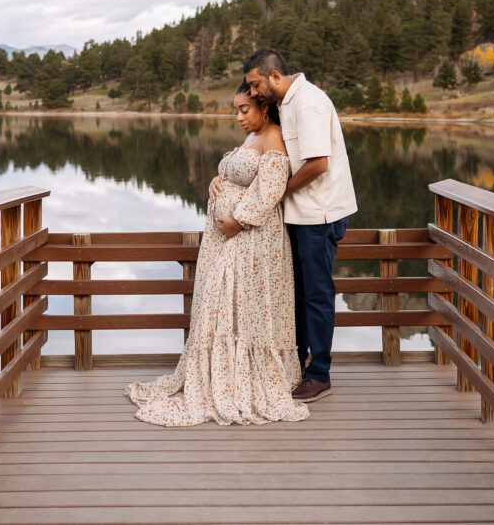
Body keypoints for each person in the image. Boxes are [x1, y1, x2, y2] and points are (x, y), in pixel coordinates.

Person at [125, 82, 309, 426]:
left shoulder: (273, 137)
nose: (238, 117)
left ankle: (245, 377)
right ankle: (218, 371)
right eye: (235, 110)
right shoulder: (252, 137)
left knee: (238, 306)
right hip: (226, 239)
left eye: (245, 109)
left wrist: (239, 220)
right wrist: (217, 179)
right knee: (221, 305)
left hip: (251, 239)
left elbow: (270, 189)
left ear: (264, 108)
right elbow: (243, 175)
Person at [241, 48, 357, 402]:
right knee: (299, 292)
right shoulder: (287, 103)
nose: (255, 92)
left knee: (317, 294)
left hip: (318, 215)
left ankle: (319, 374)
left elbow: (318, 164)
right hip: (300, 213)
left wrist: (278, 193)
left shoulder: (308, 103)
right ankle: (298, 365)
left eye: (257, 84)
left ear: (275, 76)